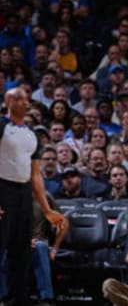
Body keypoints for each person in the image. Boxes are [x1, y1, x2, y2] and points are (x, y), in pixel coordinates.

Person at [0, 88, 66, 304]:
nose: (24, 102)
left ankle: (15, 300)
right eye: (18, 98)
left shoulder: (32, 134)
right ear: (8, 101)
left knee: (21, 251)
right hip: (3, 189)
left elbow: (36, 175)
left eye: (25, 98)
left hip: (24, 193)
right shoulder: (2, 125)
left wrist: (46, 209)